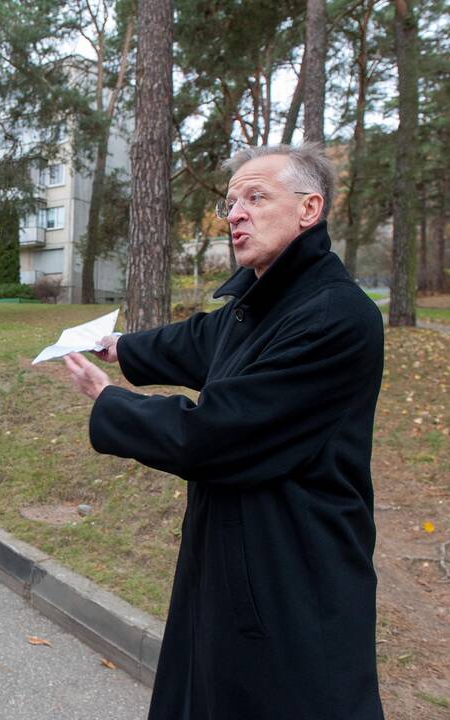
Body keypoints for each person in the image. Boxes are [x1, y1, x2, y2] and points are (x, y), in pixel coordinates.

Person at [64, 143, 385, 720]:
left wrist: (107, 400)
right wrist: (118, 348)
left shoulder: (334, 316)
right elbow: (197, 341)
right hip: (236, 568)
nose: (235, 213)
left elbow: (217, 434)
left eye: (255, 197)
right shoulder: (262, 304)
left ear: (309, 210)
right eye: (231, 202)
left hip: (293, 577)